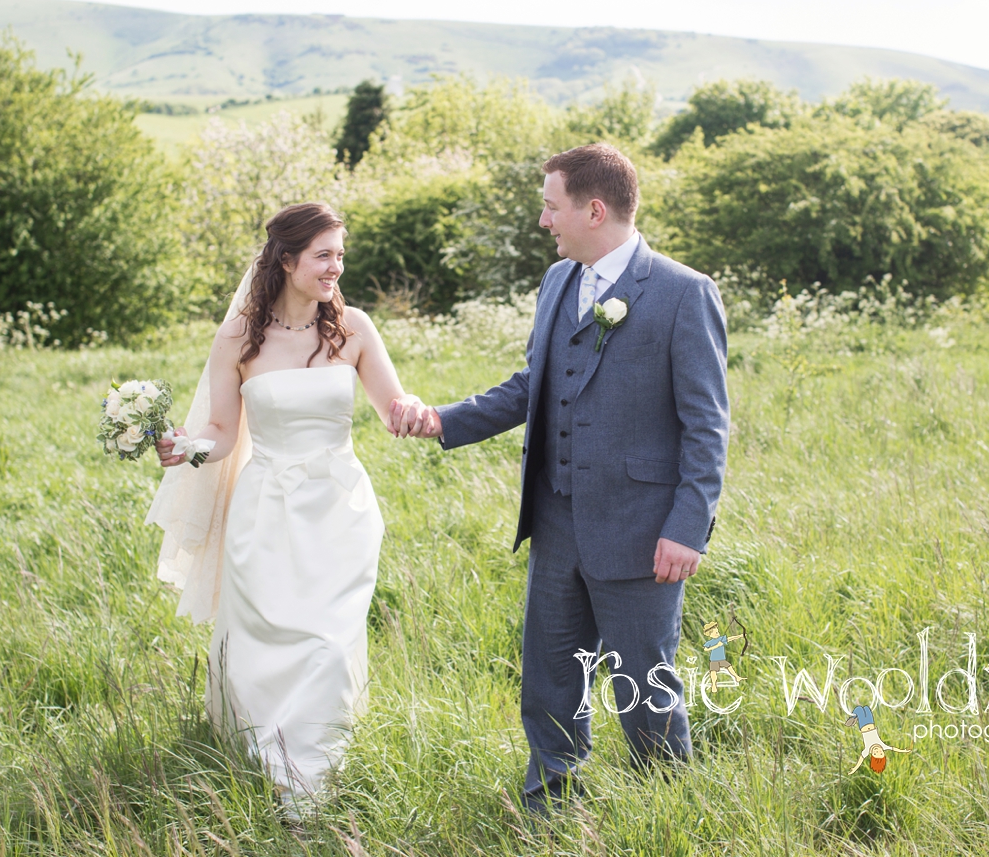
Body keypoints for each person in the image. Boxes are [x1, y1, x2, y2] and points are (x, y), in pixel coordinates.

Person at [394, 143, 730, 811]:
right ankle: (549, 807)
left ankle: (666, 811)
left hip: (641, 531)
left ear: (594, 210)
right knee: (549, 680)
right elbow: (533, 384)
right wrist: (442, 419)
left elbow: (707, 426)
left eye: (551, 207)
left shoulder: (683, 292)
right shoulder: (557, 281)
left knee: (644, 687)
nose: (543, 220)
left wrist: (687, 529)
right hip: (554, 521)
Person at [147, 202, 423, 805]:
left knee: (329, 641)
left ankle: (313, 774)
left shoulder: (354, 329)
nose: (335, 267)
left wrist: (414, 411)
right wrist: (186, 448)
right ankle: (262, 760)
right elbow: (222, 433)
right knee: (264, 638)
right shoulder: (238, 339)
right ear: (287, 260)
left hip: (339, 510)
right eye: (323, 255)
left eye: (340, 255)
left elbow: (393, 407)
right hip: (266, 511)